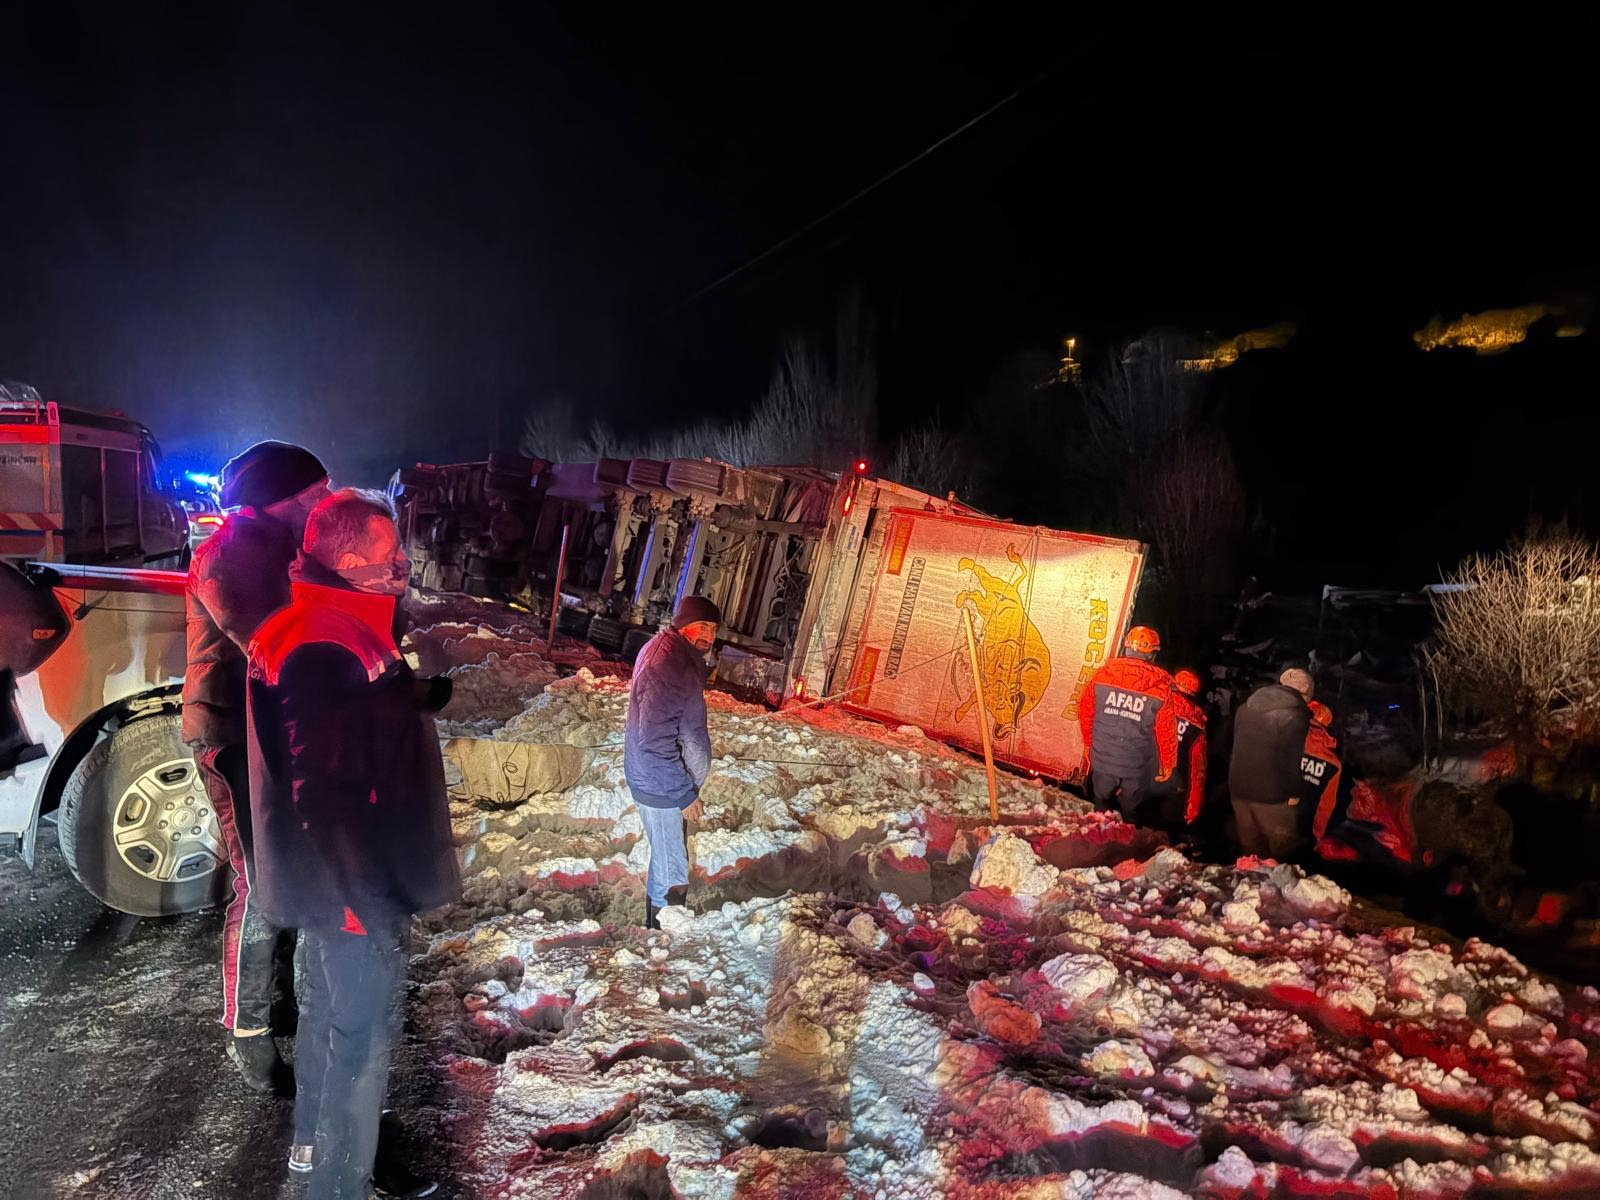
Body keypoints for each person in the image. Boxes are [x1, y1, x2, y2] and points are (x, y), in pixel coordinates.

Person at [245, 489, 457, 1199]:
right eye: (388, 553)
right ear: (345, 559)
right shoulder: (321, 644)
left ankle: (315, 1167)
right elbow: (325, 792)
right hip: (348, 892)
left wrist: (413, 696)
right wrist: (363, 901)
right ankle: (338, 1184)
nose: (401, 563)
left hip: (333, 888)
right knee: (357, 1045)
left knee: (328, 1027)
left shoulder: (329, 626)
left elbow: (346, 723)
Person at [182, 440, 330, 1093]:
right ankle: (248, 1034)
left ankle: (281, 1004)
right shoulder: (232, 556)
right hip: (233, 737)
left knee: (291, 874)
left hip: (275, 733)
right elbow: (276, 649)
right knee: (263, 885)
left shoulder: (283, 552)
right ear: (280, 499)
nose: (322, 509)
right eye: (313, 498)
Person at [624, 595, 719, 930]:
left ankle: (655, 931)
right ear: (683, 625)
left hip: (661, 780)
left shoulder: (675, 655)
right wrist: (684, 794)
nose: (709, 635)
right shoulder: (669, 664)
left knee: (665, 860)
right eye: (703, 626)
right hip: (662, 785)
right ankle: (664, 940)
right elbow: (653, 740)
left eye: (714, 629)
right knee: (673, 870)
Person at [1076, 625, 1178, 823]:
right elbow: (1166, 732)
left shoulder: (1102, 676)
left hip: (1103, 759)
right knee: (1131, 809)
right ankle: (1128, 837)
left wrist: (1090, 744)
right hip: (1136, 765)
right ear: (1152, 655)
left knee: (1101, 800)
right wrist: (1167, 764)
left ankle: (1096, 834)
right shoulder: (1160, 689)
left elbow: (1085, 712)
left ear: (1127, 647)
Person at [1227, 666, 1315, 859]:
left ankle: (1249, 886)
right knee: (1283, 853)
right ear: (1304, 692)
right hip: (1272, 796)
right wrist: (1294, 792)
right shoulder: (1295, 715)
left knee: (1251, 854)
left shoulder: (1246, 707)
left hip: (1238, 790)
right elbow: (1292, 758)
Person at [1148, 667, 1208, 828]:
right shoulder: (1197, 723)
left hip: (1141, 779)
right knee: (1159, 839)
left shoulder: (1154, 704)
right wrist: (1193, 805)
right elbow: (1198, 770)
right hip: (1173, 788)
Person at [1302, 700, 1345, 848]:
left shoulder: (1290, 740)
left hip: (1271, 812)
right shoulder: (1334, 764)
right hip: (1304, 825)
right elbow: (1325, 805)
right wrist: (1317, 836)